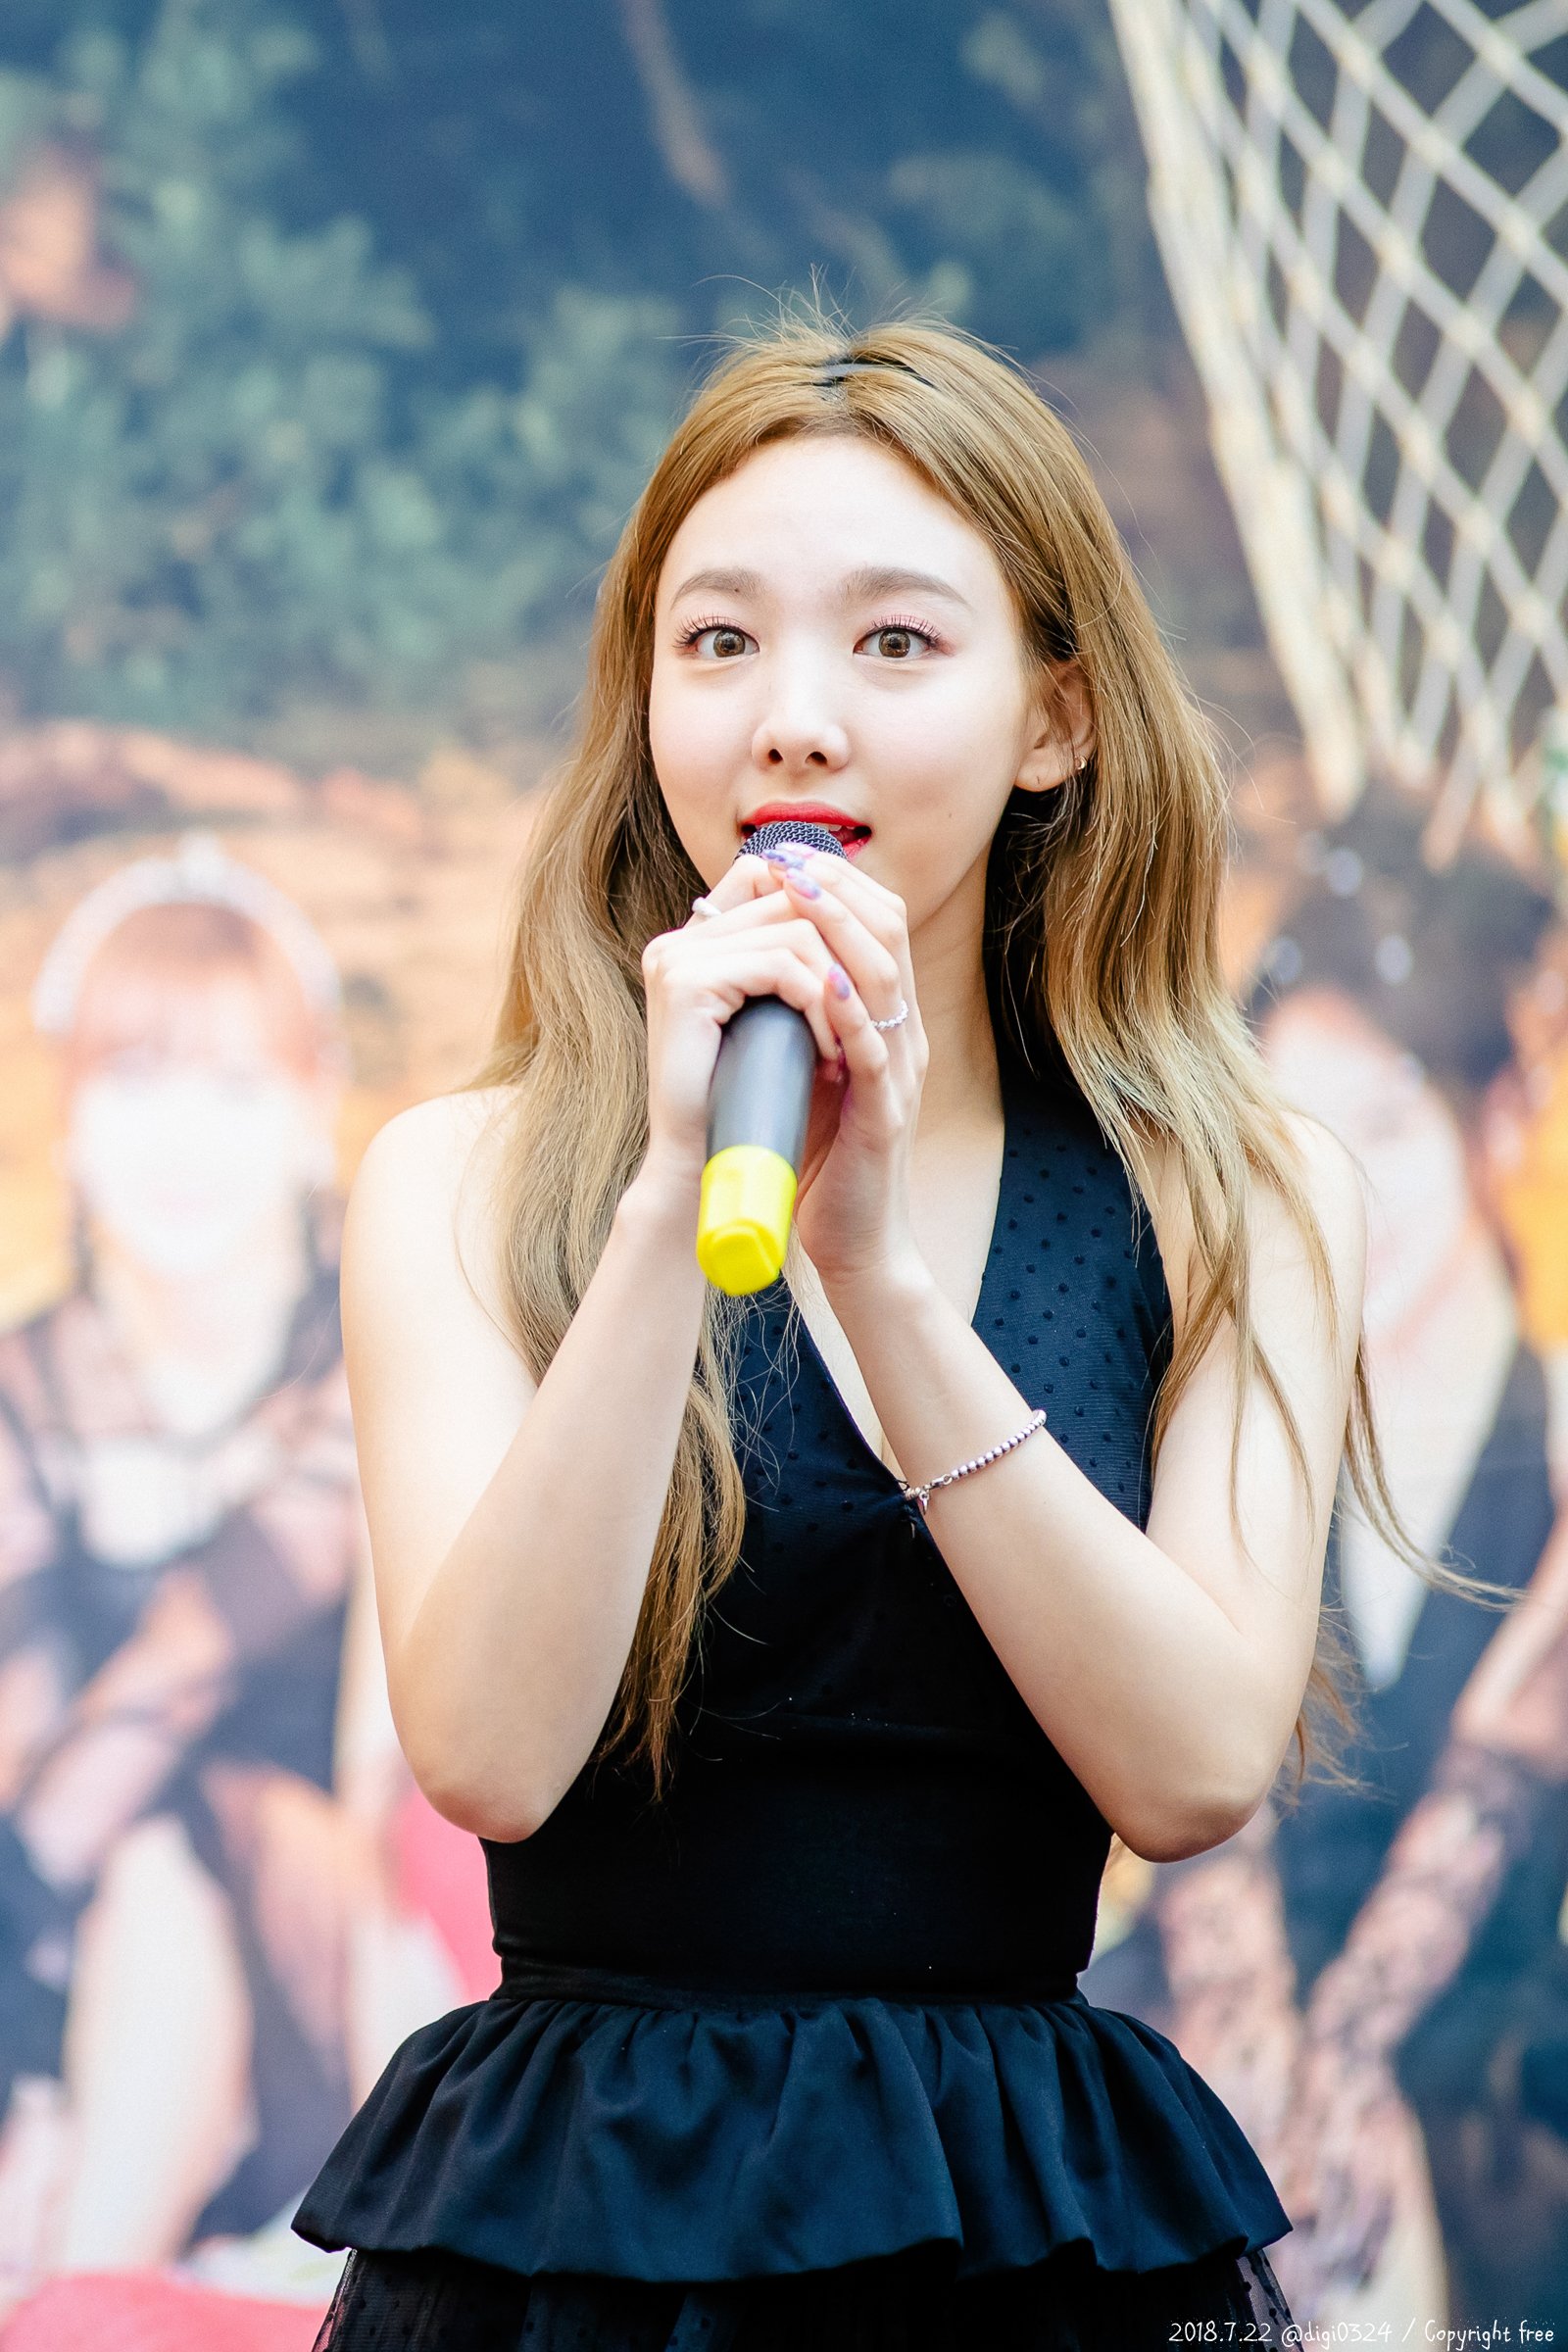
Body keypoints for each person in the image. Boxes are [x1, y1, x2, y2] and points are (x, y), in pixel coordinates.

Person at [292, 317, 1401, 2351]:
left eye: (894, 643)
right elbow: (489, 1754)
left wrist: (881, 1280)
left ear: (1055, 716)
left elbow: (1189, 1767)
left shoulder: (1237, 1192)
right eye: (717, 643)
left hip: (1010, 2209)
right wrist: (664, 1208)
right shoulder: (458, 1181)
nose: (791, 724)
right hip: (577, 2215)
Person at [1085, 798, 1568, 2327]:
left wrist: (1344, 2073)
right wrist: (1252, 2064)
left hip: (1480, 2046)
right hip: (1211, 2019)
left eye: (1388, 1128)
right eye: (1295, 1132)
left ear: (1498, 1118)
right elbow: (1197, 1814)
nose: (1338, 1189)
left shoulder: (1558, 1433)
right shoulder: (1219, 1406)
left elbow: (1496, 1811)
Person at [0, 832, 366, 2286]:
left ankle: (75, 2293)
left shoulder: (378, 1359)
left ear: (311, 1114)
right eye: (136, 1081)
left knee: (172, 1838)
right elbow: (22, 1717)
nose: (180, 1141)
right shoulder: (23, 1391)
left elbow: (181, 1676)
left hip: (334, 1932)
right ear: (71, 1122)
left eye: (233, 1087)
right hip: (70, 1938)